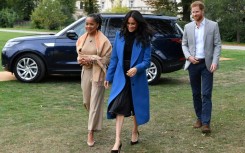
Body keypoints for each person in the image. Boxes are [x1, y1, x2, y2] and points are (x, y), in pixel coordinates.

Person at [104, 10, 153, 153]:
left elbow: (147, 61)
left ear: (138, 24)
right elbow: (114, 59)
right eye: (128, 23)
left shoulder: (144, 39)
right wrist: (109, 76)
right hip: (121, 78)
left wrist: (137, 68)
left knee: (136, 107)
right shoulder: (119, 36)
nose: (131, 26)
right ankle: (117, 141)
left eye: (134, 24)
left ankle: (135, 131)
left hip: (136, 79)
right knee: (119, 107)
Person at [182, 1, 221, 133]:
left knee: (206, 93)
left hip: (207, 64)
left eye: (197, 11)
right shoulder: (188, 27)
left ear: (202, 11)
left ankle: (206, 123)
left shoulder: (213, 25)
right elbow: (184, 44)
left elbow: (217, 45)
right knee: (195, 93)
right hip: (193, 64)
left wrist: (215, 61)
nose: (194, 14)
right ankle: (199, 118)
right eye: (193, 12)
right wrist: (188, 57)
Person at [76, 13, 112, 147]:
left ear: (97, 25)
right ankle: (94, 120)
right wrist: (83, 60)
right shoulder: (81, 39)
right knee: (87, 101)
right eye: (86, 24)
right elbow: (79, 56)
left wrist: (92, 59)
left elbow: (107, 59)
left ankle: (90, 131)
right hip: (86, 72)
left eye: (91, 24)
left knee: (95, 102)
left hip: (99, 74)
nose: (88, 26)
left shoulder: (104, 41)